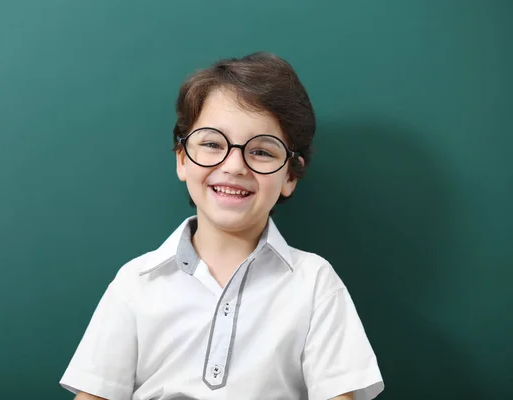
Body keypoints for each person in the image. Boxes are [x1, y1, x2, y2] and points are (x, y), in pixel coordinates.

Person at [59, 52, 384, 400]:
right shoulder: (137, 282)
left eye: (262, 151)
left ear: (290, 175)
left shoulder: (315, 283)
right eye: (212, 144)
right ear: (183, 160)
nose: (234, 166)